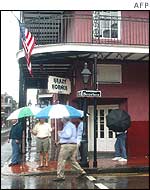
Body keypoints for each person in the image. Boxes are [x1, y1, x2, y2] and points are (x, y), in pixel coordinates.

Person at [53, 117, 86, 181]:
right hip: (73, 144)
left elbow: (68, 135)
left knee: (61, 160)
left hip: (67, 146)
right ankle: (81, 171)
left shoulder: (68, 126)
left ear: (64, 119)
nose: (61, 120)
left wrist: (60, 134)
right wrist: (59, 142)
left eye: (62, 118)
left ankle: (60, 176)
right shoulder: (71, 125)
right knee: (72, 160)